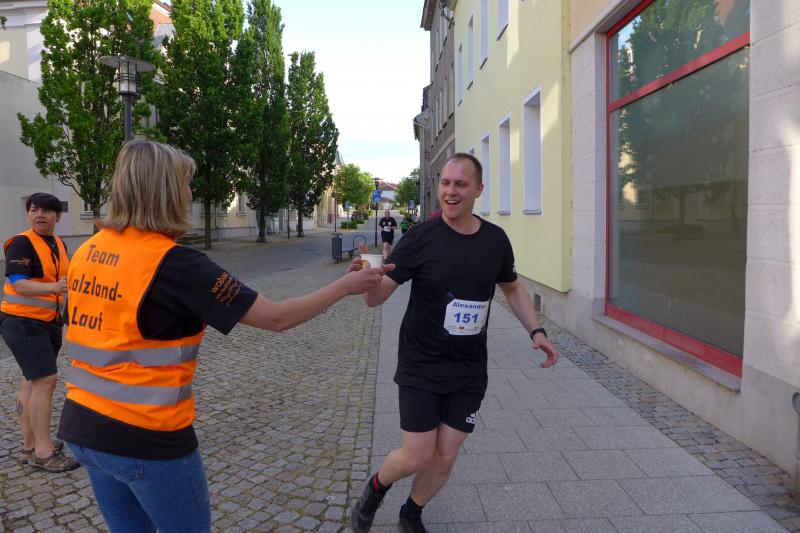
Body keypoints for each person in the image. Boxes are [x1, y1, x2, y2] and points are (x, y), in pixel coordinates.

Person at [57, 140, 392, 533]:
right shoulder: (178, 265)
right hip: (147, 437)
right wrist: (345, 286)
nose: (190, 193)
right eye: (186, 183)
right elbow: (277, 318)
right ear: (166, 191)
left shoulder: (87, 251)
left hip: (82, 427)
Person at [349, 153, 558, 533]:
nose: (450, 191)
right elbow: (376, 298)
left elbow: (512, 288)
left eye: (460, 184)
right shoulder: (421, 238)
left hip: (468, 369)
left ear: (478, 189)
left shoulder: (495, 241)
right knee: (417, 455)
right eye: (445, 183)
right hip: (421, 363)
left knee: (446, 455)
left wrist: (536, 331)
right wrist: (366, 281)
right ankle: (375, 489)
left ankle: (411, 512)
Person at [0, 192, 79, 472]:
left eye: (46, 211)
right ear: (28, 214)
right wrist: (54, 288)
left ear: (58, 216)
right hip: (22, 322)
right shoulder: (20, 243)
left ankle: (29, 446)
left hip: (47, 322)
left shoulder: (59, 244)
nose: (39, 215)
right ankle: (43, 453)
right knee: (46, 380)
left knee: (31, 382)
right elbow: (19, 284)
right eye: (34, 210)